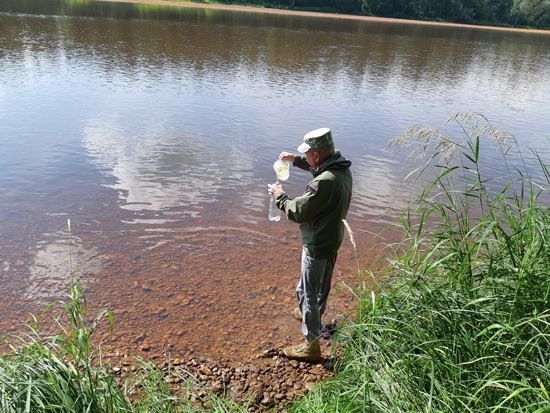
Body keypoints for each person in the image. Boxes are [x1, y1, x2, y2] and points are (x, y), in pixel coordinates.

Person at [267, 127, 352, 362]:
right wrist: (296, 161)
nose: (309, 158)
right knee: (321, 285)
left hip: (316, 243)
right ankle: (313, 314)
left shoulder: (323, 182)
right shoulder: (341, 169)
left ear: (316, 154)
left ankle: (311, 345)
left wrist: (279, 195)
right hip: (332, 239)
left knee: (306, 292)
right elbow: (320, 166)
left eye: (309, 154)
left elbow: (298, 212)